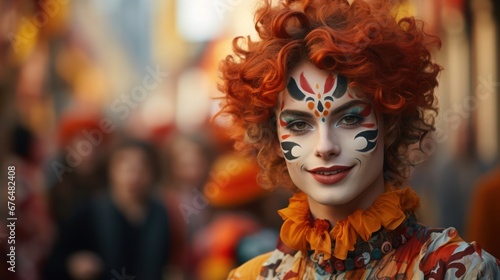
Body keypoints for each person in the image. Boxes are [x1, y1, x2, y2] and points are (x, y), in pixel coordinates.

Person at [217, 0, 500, 278]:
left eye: (349, 119)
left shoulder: (458, 271)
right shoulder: (253, 276)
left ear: (389, 124)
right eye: (300, 124)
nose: (326, 146)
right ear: (276, 139)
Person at [44, 139, 172, 280]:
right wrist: (72, 265)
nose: (134, 174)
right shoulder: (88, 212)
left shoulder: (161, 214)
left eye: (142, 166)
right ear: (111, 170)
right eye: (126, 166)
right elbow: (53, 265)